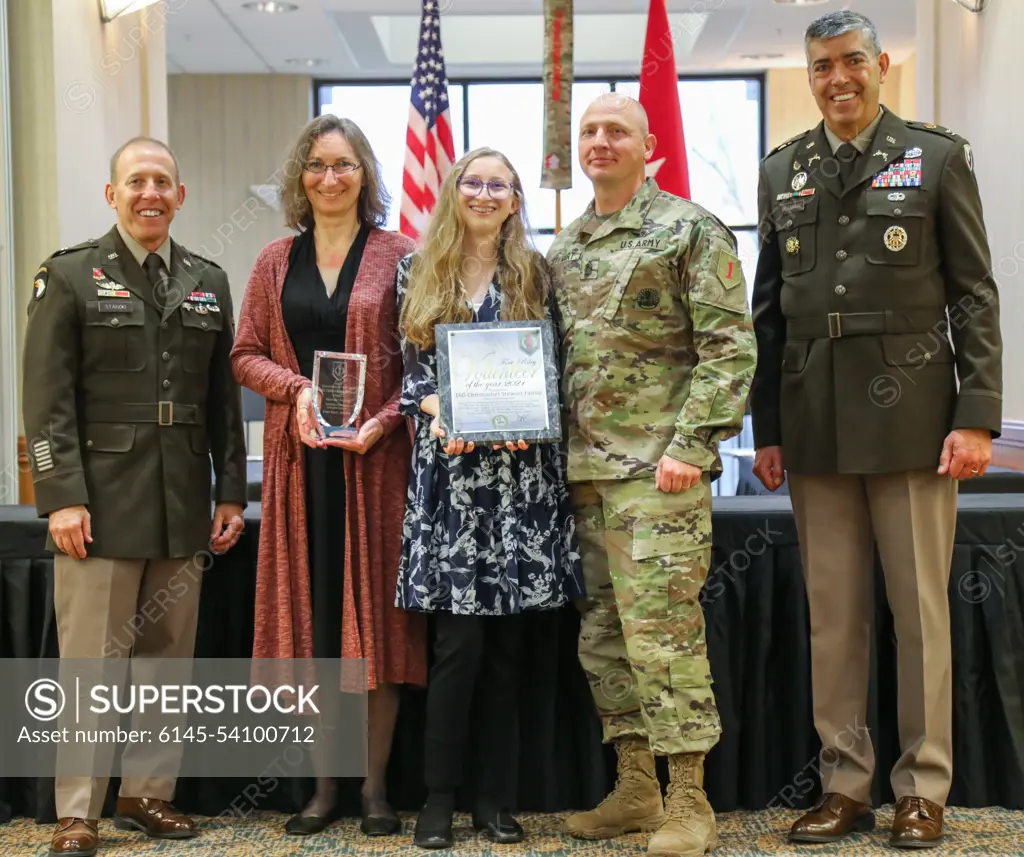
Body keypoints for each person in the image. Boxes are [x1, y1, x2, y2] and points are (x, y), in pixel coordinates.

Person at [749, 11, 1002, 850]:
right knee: (836, 615)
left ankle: (923, 788)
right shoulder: (783, 170)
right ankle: (844, 782)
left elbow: (975, 294)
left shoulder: (935, 155)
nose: (838, 78)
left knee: (921, 611)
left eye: (852, 60)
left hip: (915, 428)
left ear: (881, 64)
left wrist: (975, 416)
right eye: (822, 66)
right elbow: (769, 315)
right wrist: (770, 428)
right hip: (816, 427)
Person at [22, 136, 248, 857]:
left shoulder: (208, 280)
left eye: (163, 182)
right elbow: (46, 399)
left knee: (164, 662)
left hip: (181, 501)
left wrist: (231, 492)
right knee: (92, 662)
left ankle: (147, 793)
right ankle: (78, 810)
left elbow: (222, 404)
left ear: (180, 197)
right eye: (137, 181)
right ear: (112, 193)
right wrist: (60, 494)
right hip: (99, 504)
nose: (151, 193)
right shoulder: (70, 276)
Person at [547, 94, 756, 857]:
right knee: (604, 637)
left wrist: (690, 446)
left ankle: (689, 799)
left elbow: (730, 346)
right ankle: (635, 785)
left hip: (656, 475)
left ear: (648, 145)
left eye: (616, 132)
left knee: (664, 637)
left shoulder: (689, 229)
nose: (600, 143)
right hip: (586, 476)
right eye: (589, 133)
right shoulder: (566, 247)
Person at [230, 114, 426, 837]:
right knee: (313, 626)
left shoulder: (402, 254)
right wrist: (297, 389)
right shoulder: (274, 261)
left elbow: (424, 365)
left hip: (374, 470)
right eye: (317, 165)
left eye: (344, 164)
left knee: (372, 627)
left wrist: (381, 421)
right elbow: (245, 352)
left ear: (365, 176)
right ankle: (322, 789)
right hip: (299, 465)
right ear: (300, 177)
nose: (330, 177)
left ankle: (374, 788)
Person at [395, 146, 584, 849]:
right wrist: (440, 408)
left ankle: (496, 800)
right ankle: (437, 798)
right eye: (472, 182)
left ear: (514, 201)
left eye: (498, 185)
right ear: (453, 191)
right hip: (449, 480)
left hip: (521, 485)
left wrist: (525, 421)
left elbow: (555, 369)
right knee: (457, 648)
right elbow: (409, 375)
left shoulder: (538, 274)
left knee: (508, 651)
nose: (483, 193)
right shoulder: (414, 271)